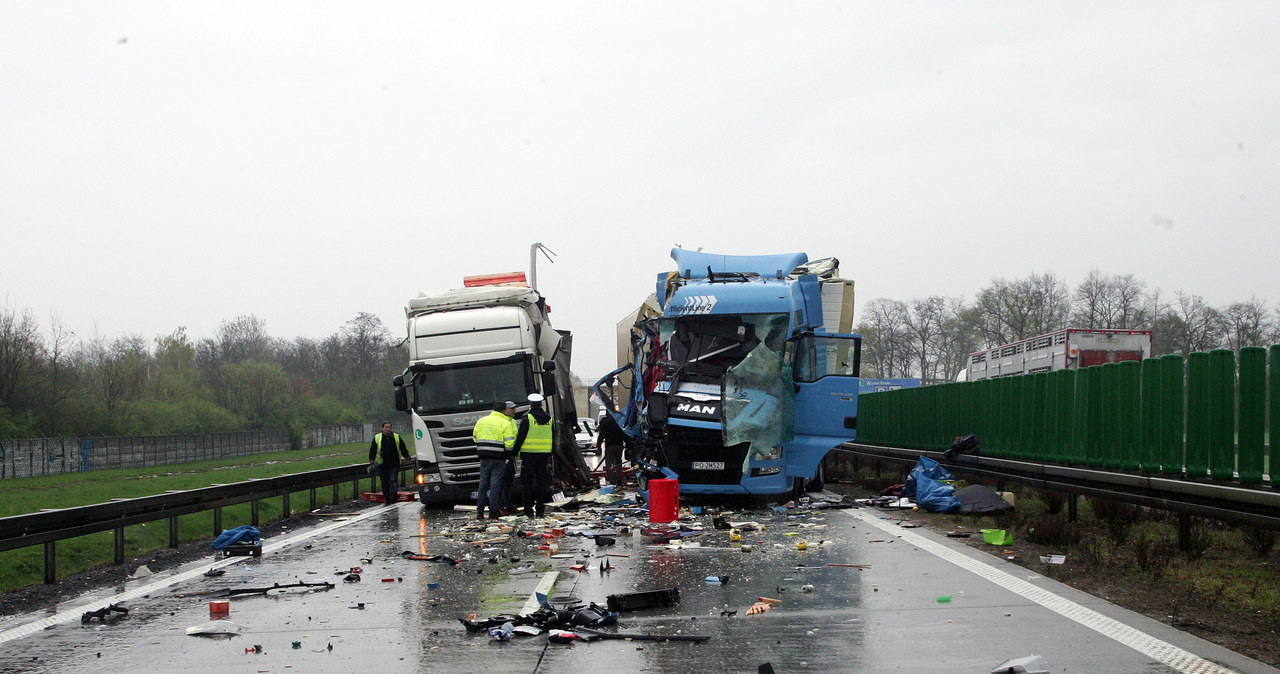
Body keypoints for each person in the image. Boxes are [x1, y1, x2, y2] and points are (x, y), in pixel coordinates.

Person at [472, 400, 516, 520]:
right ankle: (493, 512)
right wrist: (508, 454)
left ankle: (479, 512)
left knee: (483, 485)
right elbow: (509, 443)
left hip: (484, 457)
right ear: (503, 410)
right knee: (495, 485)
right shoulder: (505, 423)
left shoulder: (481, 421)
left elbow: (475, 438)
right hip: (498, 458)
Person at [514, 393, 553, 519]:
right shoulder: (549, 418)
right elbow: (553, 435)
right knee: (541, 483)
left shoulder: (527, 418)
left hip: (529, 455)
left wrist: (513, 453)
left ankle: (528, 510)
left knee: (527, 483)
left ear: (530, 404)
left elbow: (521, 437)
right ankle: (540, 510)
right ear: (541, 404)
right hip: (544, 455)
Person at [368, 421, 410, 506]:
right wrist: (371, 459)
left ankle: (393, 498)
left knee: (393, 480)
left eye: (389, 427)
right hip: (382, 464)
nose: (388, 429)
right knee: (384, 482)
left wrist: (406, 456)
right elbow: (373, 449)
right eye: (386, 427)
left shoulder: (396, 437)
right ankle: (387, 498)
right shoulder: (377, 437)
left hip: (394, 463)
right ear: (382, 428)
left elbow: (402, 447)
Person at [595, 411, 630, 487]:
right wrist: (628, 445)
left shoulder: (605, 422)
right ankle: (618, 479)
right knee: (618, 463)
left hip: (609, 446)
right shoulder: (619, 422)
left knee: (609, 464)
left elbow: (601, 435)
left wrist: (598, 446)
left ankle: (613, 481)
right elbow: (624, 434)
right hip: (619, 445)